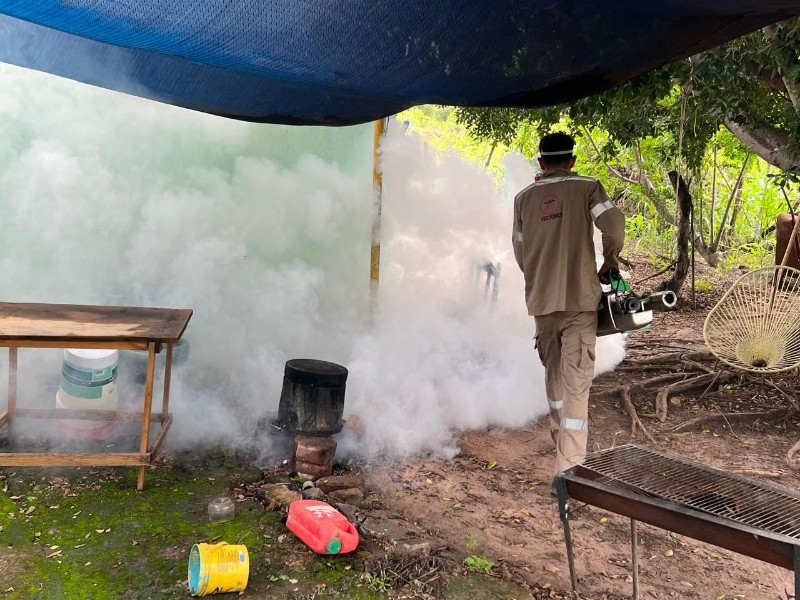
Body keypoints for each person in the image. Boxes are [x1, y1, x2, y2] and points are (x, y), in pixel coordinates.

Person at [512, 132, 624, 476]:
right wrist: (609, 262)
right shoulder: (587, 186)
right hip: (579, 303)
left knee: (555, 378)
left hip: (542, 305)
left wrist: (541, 278)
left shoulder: (524, 198)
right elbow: (615, 226)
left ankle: (562, 445)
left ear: (541, 163)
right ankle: (569, 471)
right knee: (576, 385)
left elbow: (520, 250)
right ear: (572, 161)